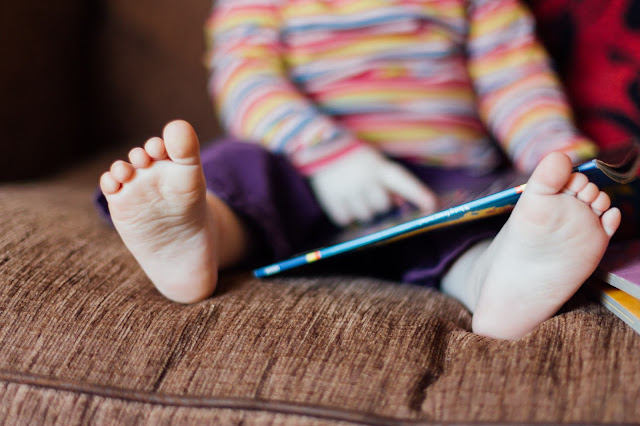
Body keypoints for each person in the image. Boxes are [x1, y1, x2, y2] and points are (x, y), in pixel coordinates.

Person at [97, 0, 621, 340]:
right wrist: (330, 155)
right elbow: (246, 79)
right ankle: (199, 233)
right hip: (300, 166)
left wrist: (564, 164)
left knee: (480, 215)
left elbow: (517, 82)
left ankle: (495, 280)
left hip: (437, 181)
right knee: (236, 165)